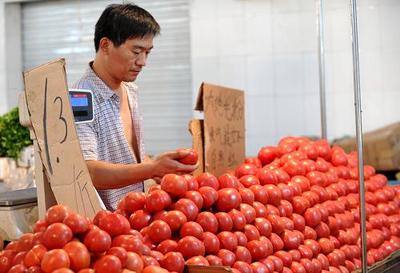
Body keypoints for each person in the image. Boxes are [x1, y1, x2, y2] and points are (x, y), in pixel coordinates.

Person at [73, 3, 197, 211]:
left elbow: (134, 158)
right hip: (107, 224)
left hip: (138, 215)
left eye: (147, 52)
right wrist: (151, 168)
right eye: (136, 51)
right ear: (105, 45)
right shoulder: (79, 98)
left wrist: (158, 168)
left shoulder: (130, 91)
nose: (143, 62)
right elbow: (88, 171)